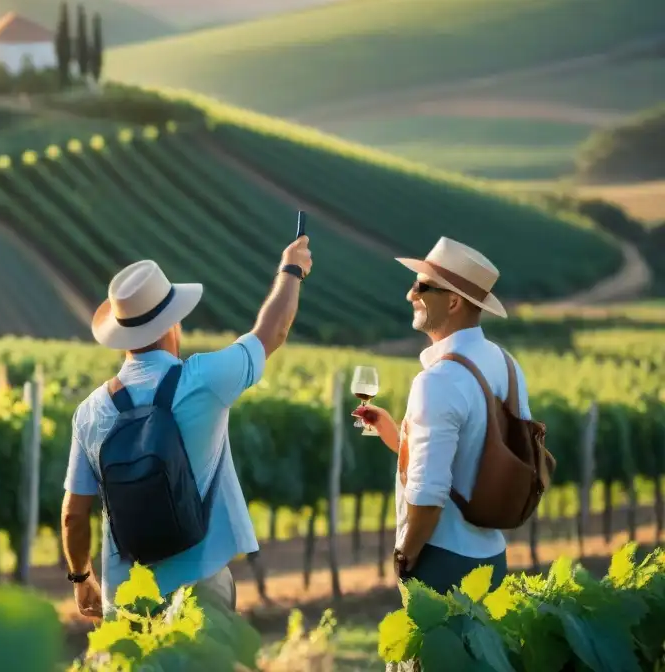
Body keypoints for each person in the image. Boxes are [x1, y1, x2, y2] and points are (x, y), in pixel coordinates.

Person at [60, 236, 313, 619]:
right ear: (172, 323)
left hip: (127, 597)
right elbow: (273, 331)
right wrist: (291, 269)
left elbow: (73, 516)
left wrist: (81, 578)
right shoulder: (204, 380)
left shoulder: (89, 412)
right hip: (200, 592)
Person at [354, 236, 530, 596]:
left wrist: (405, 554)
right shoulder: (507, 365)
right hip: (492, 559)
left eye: (422, 286)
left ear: (453, 301)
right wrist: (395, 433)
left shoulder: (437, 381)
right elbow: (471, 456)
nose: (410, 294)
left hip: (442, 562)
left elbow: (429, 495)